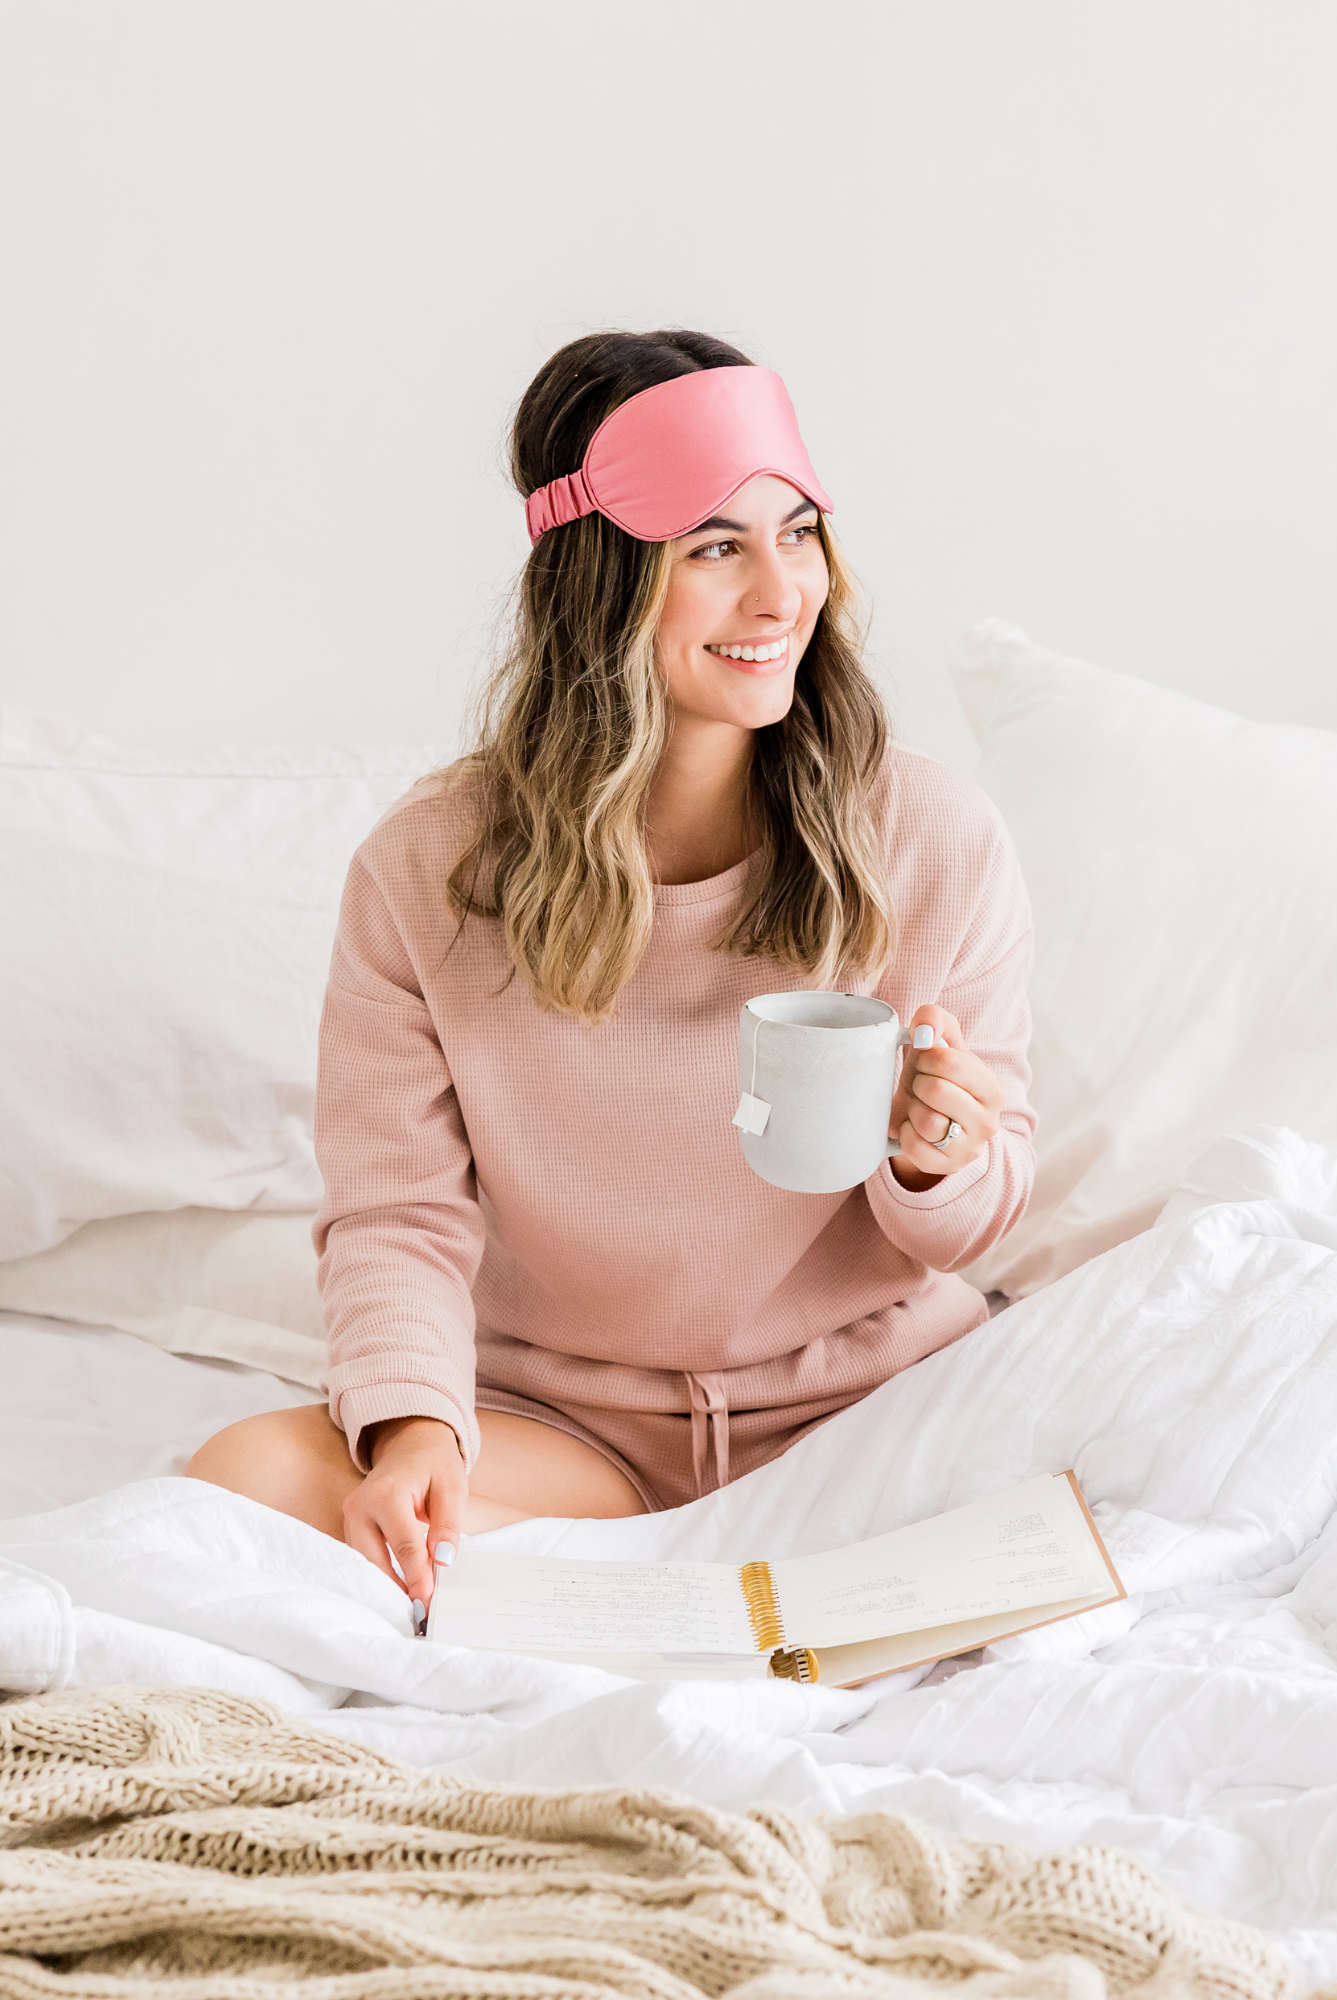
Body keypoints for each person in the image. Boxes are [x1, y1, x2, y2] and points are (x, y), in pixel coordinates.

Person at [188, 331, 1035, 1628]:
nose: (779, 596)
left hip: (875, 1414)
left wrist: (941, 1161)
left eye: (797, 533)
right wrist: (415, 1431)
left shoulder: (932, 838)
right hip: (572, 1433)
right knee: (233, 1483)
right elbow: (395, 1218)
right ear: (599, 585)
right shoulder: (427, 875)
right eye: (714, 549)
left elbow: (977, 1218)